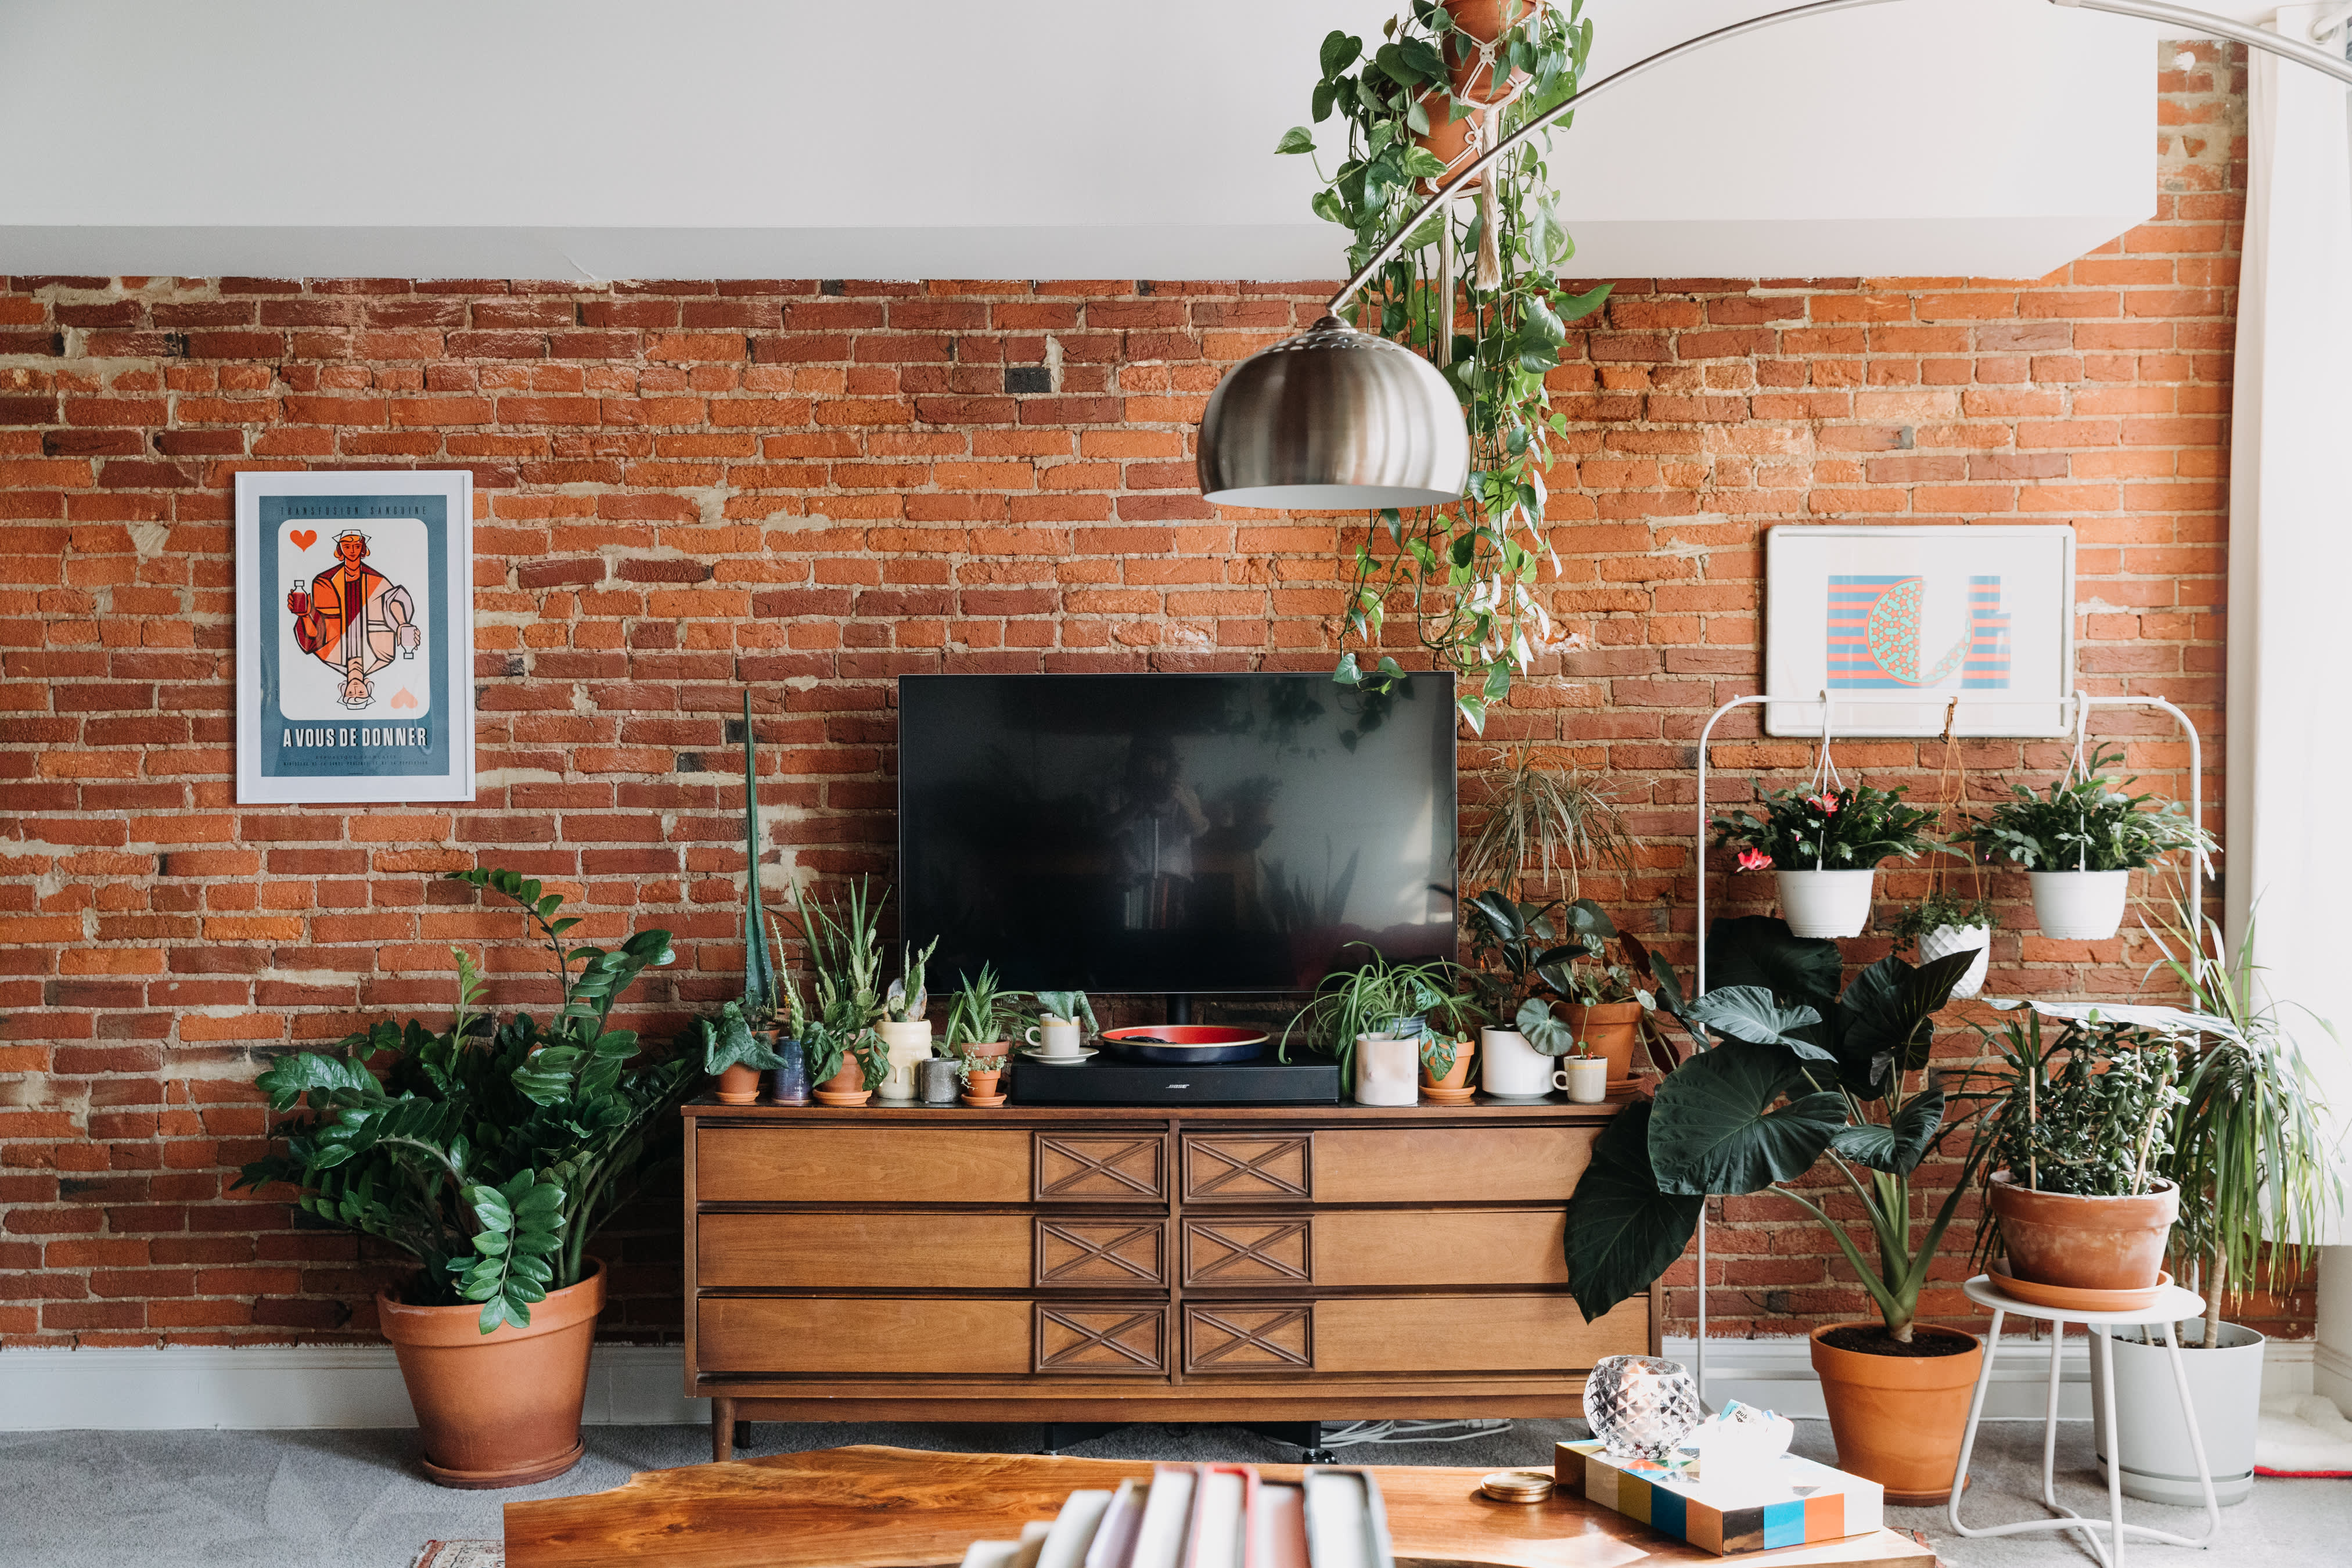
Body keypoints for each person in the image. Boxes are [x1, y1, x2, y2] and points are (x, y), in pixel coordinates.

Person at [289, 530, 419, 709]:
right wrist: (402, 626)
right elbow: (393, 603)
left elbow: (390, 599)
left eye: (357, 546)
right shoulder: (385, 656)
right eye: (347, 546)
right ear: (369, 687)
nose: (352, 550)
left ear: (343, 689)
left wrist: (306, 615)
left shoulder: (330, 657)